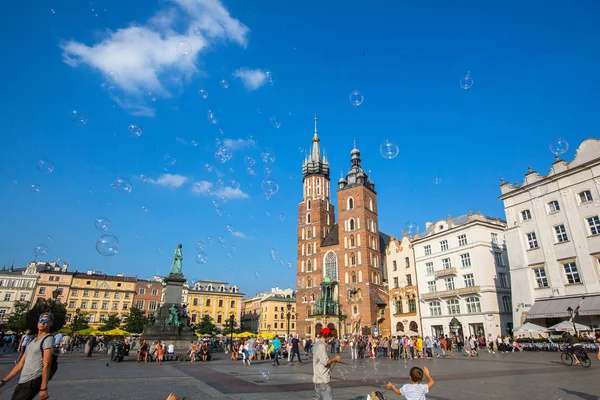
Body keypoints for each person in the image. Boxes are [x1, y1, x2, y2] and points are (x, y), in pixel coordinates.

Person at [0, 312, 55, 400]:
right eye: (40, 320)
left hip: (33, 380)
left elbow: (47, 365)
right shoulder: (32, 341)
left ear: (51, 323)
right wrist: (4, 381)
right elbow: (20, 364)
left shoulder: (48, 339)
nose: (42, 323)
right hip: (23, 380)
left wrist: (43, 388)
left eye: (46, 321)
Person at [313, 327, 341, 400]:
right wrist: (335, 359)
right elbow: (325, 362)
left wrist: (328, 368)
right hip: (323, 379)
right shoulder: (322, 346)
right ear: (326, 335)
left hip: (318, 377)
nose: (330, 338)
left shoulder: (317, 343)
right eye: (329, 336)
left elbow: (320, 361)